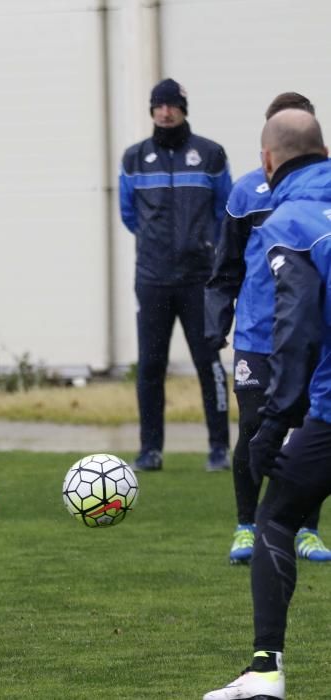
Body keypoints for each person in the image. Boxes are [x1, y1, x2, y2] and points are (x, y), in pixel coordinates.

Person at [203, 108, 330, 700]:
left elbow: (299, 327)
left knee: (275, 517)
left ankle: (265, 671)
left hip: (327, 414)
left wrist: (275, 419)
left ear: (267, 159)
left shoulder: (292, 220)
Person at [119, 78, 233, 472]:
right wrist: (157, 247)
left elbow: (223, 213)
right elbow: (129, 215)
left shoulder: (210, 154)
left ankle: (219, 448)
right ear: (151, 111)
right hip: (151, 279)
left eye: (171, 104)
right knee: (150, 367)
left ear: (183, 108)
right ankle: (150, 450)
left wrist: (204, 249)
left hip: (199, 279)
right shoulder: (134, 158)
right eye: (158, 105)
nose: (165, 111)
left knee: (209, 363)